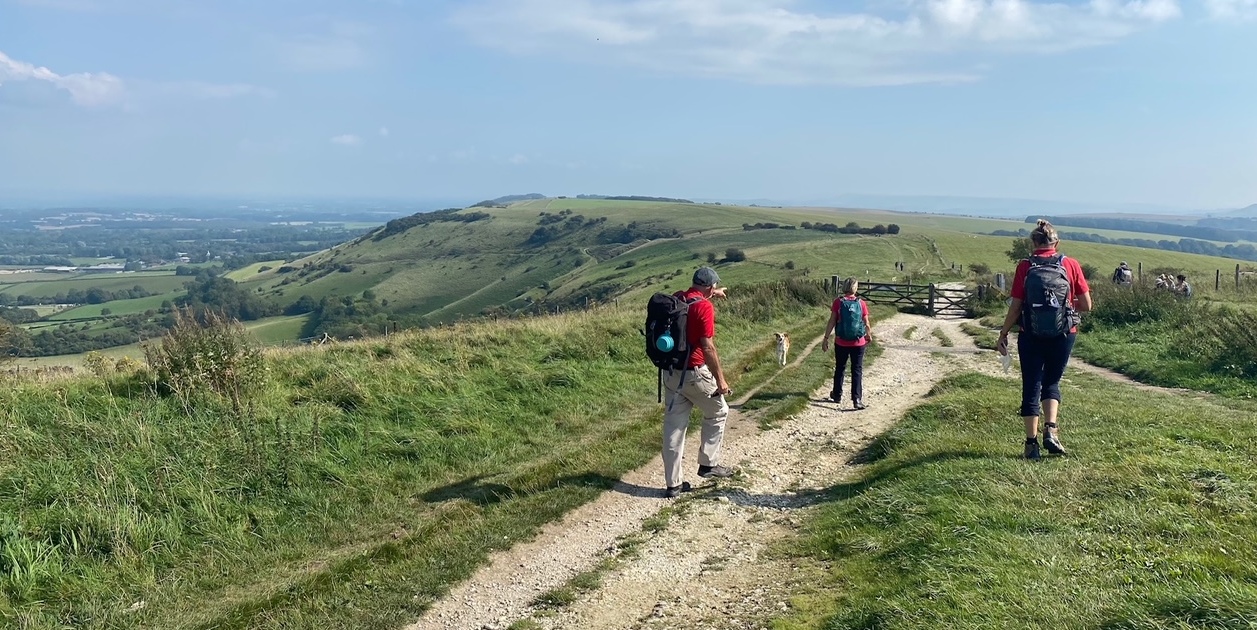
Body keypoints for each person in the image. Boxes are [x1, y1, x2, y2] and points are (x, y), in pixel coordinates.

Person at [996, 220, 1092, 461]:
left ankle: (1031, 444)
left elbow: (1016, 306)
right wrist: (1066, 308)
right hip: (1064, 334)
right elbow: (1087, 305)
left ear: (1033, 243)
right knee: (1051, 381)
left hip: (1031, 333)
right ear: (1056, 243)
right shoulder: (1070, 264)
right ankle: (1051, 429)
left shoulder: (1025, 266)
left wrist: (1004, 332)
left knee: (1031, 384)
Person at [661, 266, 734, 498]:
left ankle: (673, 485)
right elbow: (708, 347)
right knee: (719, 411)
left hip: (672, 373)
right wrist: (720, 380)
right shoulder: (704, 306)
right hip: (696, 374)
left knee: (674, 429)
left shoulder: (677, 298)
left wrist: (715, 292)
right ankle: (708, 464)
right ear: (709, 287)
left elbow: (694, 300)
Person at [822, 277, 873, 410]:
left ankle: (837, 395)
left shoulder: (838, 303)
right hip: (858, 342)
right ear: (855, 288)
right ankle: (856, 399)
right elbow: (866, 322)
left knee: (840, 368)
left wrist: (826, 338)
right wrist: (868, 334)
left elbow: (832, 321)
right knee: (857, 370)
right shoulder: (861, 303)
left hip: (841, 342)